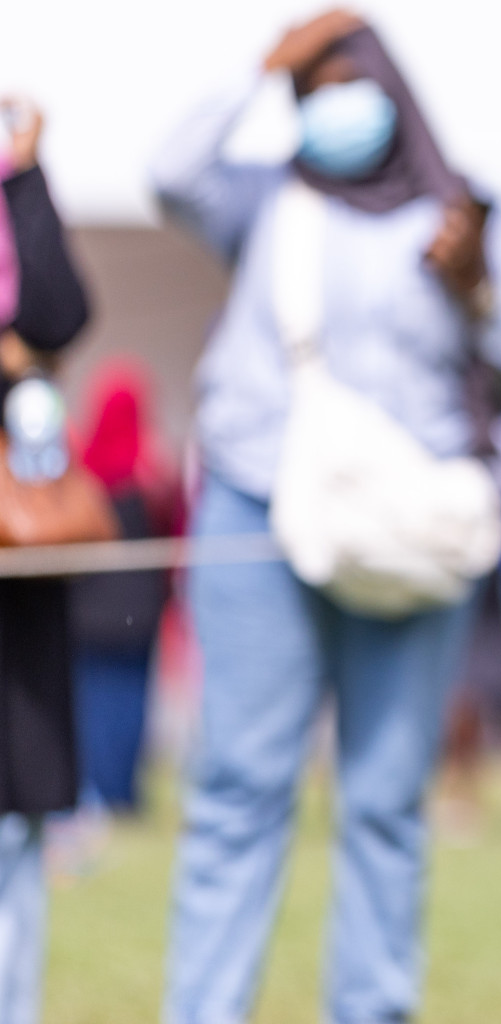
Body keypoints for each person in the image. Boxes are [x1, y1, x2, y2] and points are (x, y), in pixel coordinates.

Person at [150, 12, 501, 1024]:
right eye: (316, 86)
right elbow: (169, 175)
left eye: (353, 79)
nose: (335, 101)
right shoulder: (267, 198)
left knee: (386, 800)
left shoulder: (469, 211)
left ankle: (372, 1009)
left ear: (395, 89)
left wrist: (477, 290)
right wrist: (261, 68)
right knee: (237, 788)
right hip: (262, 504)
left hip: (411, 533)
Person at [0, 96, 103, 1024]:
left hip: (12, 569)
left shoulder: (15, 189)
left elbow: (57, 312)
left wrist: (27, 171)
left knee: (11, 813)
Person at [69, 358, 181, 814]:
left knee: (94, 701)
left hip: (89, 608)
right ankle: (122, 790)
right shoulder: (153, 472)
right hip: (139, 610)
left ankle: (98, 786)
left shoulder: (83, 468)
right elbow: (176, 529)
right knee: (131, 700)